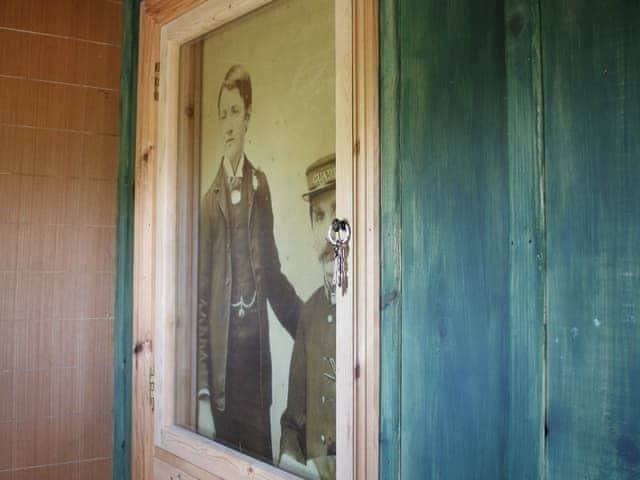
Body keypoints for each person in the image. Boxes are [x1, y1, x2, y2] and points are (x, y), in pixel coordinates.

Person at [198, 64, 302, 462]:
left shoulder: (261, 186)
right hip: (223, 379)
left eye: (235, 112)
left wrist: (307, 325)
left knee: (260, 465)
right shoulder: (209, 203)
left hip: (256, 374)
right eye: (222, 113)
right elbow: (203, 302)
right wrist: (203, 395)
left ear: (248, 115)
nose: (227, 124)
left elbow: (272, 275)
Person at [280, 154, 337, 480]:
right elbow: (292, 421)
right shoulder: (310, 314)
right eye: (319, 216)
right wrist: (289, 457)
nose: (329, 232)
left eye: (338, 214)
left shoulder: (380, 310)